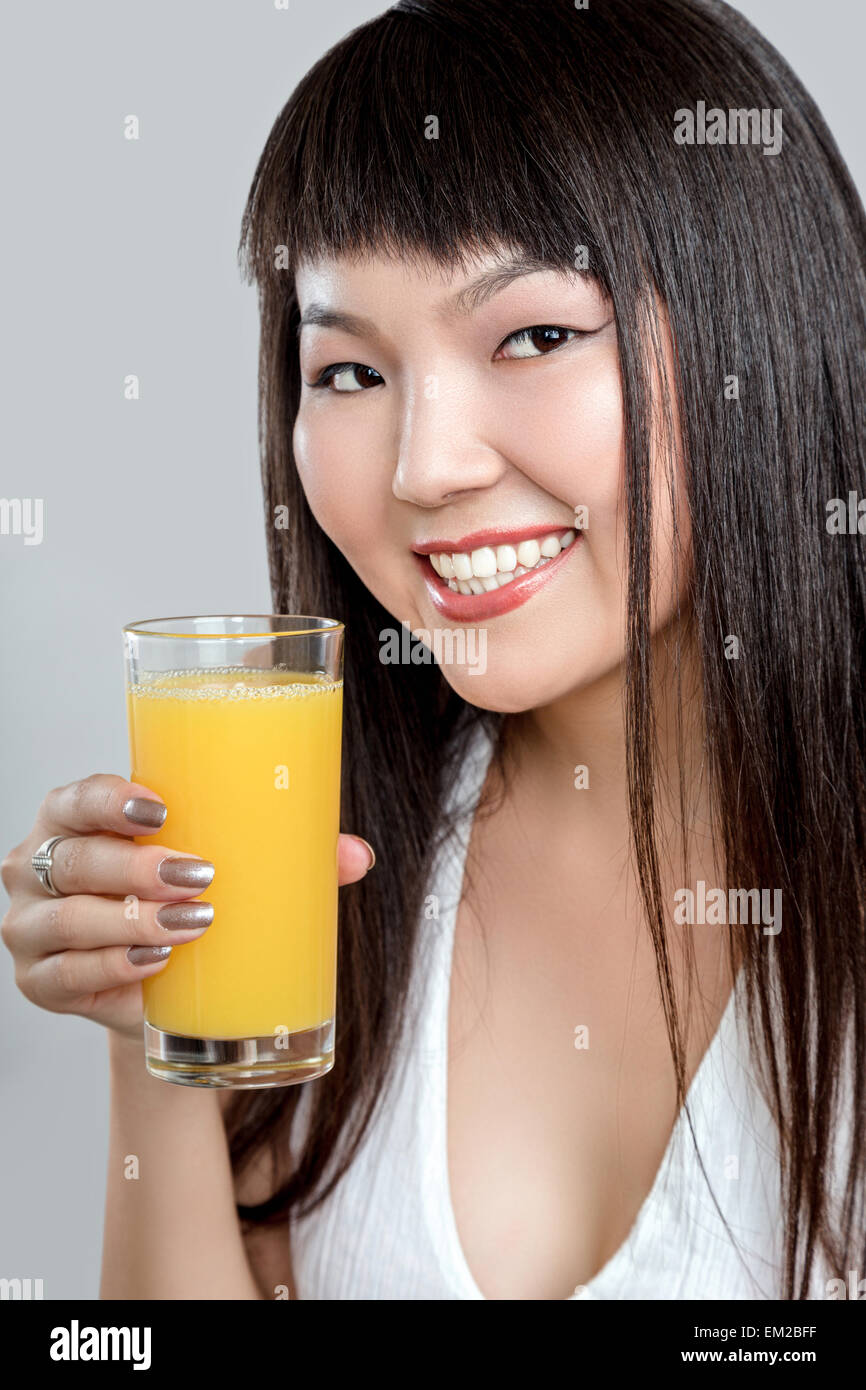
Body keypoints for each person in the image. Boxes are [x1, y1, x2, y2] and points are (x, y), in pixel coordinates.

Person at [3, 0, 864, 1300]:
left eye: (532, 335)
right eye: (348, 372)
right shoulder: (326, 865)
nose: (423, 469)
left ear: (760, 324)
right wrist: (159, 1046)